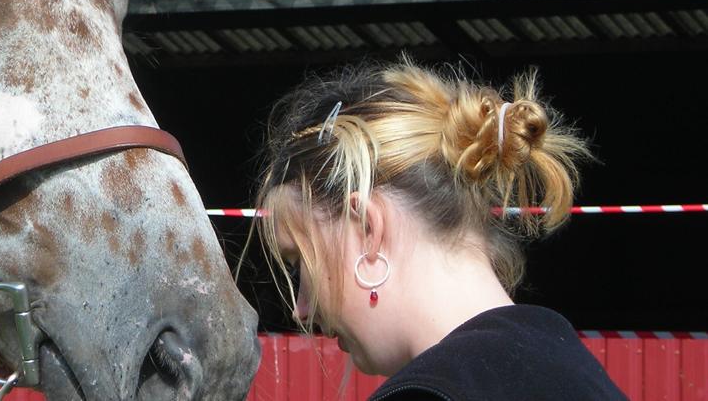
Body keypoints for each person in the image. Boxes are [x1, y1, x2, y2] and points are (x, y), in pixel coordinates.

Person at [255, 59, 627, 400]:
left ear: (368, 230)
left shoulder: (428, 394)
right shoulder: (577, 370)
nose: (301, 309)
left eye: (300, 261)